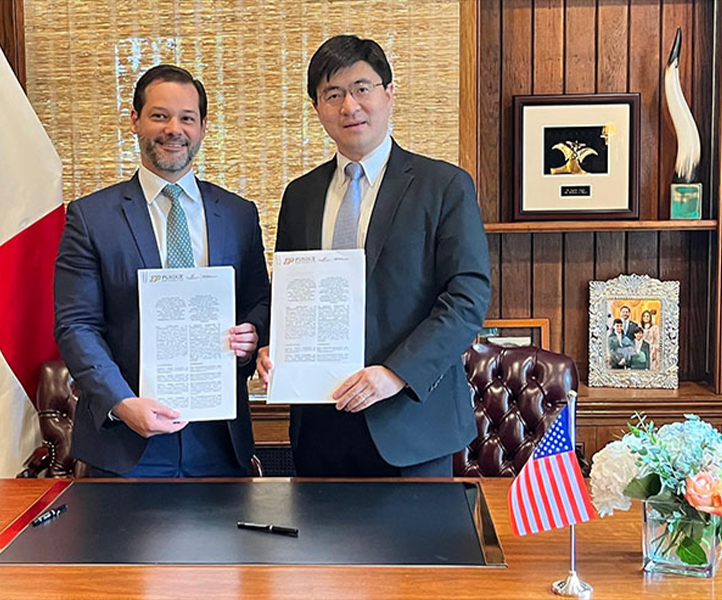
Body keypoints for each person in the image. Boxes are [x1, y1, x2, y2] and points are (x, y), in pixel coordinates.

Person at [257, 35, 491, 477]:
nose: (350, 106)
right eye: (333, 94)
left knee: (416, 549)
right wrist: (273, 346)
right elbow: (290, 294)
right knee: (320, 547)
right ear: (317, 107)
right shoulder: (300, 195)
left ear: (389, 93)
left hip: (409, 423)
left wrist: (395, 373)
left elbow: (467, 299)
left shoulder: (443, 186)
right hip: (320, 427)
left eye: (362, 88)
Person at [54, 65, 270, 477]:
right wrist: (120, 403)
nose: (174, 129)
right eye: (159, 115)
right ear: (134, 120)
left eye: (187, 118)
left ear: (203, 127)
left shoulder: (239, 215)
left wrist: (253, 332)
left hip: (219, 442)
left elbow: (260, 299)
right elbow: (75, 325)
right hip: (127, 443)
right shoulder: (91, 217)